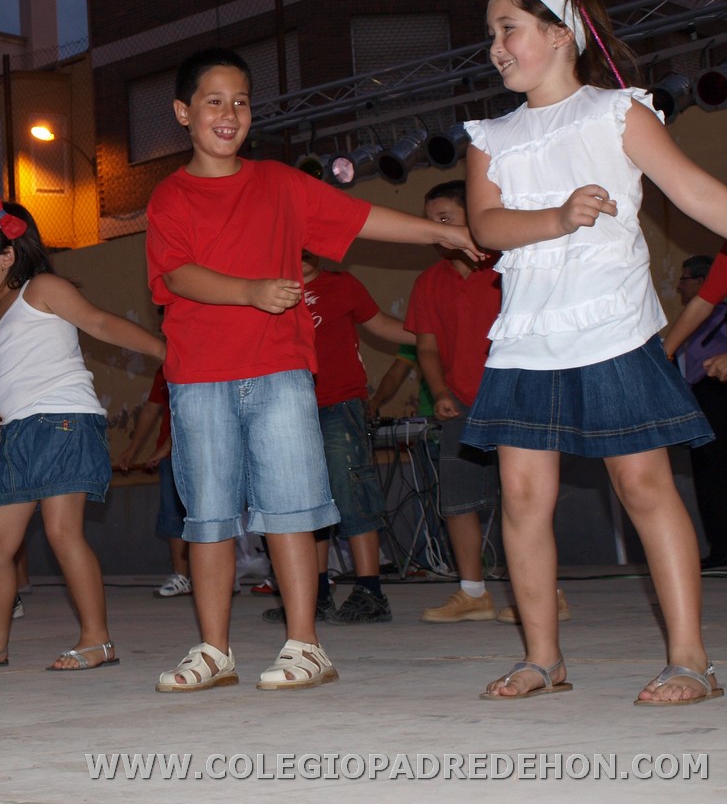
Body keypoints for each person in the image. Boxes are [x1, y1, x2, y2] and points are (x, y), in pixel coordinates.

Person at [146, 47, 481, 692]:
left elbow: (359, 218)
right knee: (210, 515)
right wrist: (248, 291)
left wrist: (435, 233)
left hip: (279, 371)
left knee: (292, 508)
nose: (230, 113)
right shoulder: (169, 198)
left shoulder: (278, 182)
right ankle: (214, 650)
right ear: (184, 112)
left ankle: (305, 645)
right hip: (200, 375)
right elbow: (176, 274)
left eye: (241, 102)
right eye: (214, 101)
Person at [462, 0, 727, 705]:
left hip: (611, 325)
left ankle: (690, 661)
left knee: (642, 482)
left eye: (509, 29)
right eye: (491, 35)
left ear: (561, 32)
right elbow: (485, 224)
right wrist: (555, 217)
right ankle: (543, 658)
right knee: (520, 494)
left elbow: (698, 193)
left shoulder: (619, 114)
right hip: (526, 334)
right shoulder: (492, 137)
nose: (496, 47)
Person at [0, 194, 165, 671]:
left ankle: (97, 639)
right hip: (17, 434)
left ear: (6, 256)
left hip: (64, 422)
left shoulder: (41, 288)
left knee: (63, 533)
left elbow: (100, 322)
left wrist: (169, 353)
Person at [404, 181, 506, 624]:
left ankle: (544, 591)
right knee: (459, 500)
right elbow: (425, 348)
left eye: (445, 218)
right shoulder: (428, 281)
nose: (436, 228)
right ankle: (473, 593)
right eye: (431, 221)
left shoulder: (507, 264)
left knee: (525, 499)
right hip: (461, 402)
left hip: (514, 396)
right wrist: (441, 392)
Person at [302, 253, 415, 625]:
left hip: (339, 403)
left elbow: (381, 324)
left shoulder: (342, 284)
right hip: (289, 408)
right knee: (305, 502)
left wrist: (434, 335)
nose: (298, 253)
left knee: (353, 491)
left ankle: (370, 590)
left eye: (306, 246)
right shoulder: (265, 290)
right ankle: (316, 595)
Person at [662, 248, 727, 569]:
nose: (679, 286)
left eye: (685, 279)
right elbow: (702, 303)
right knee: (708, 471)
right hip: (701, 393)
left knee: (715, 469)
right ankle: (721, 545)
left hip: (718, 391)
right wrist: (663, 356)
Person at [114, 363, 188, 598]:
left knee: (212, 514)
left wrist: (169, 445)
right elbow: (151, 409)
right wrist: (132, 449)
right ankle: (182, 576)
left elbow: (189, 410)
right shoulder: (163, 369)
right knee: (173, 515)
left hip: (201, 448)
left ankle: (222, 574)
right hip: (169, 456)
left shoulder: (202, 356)